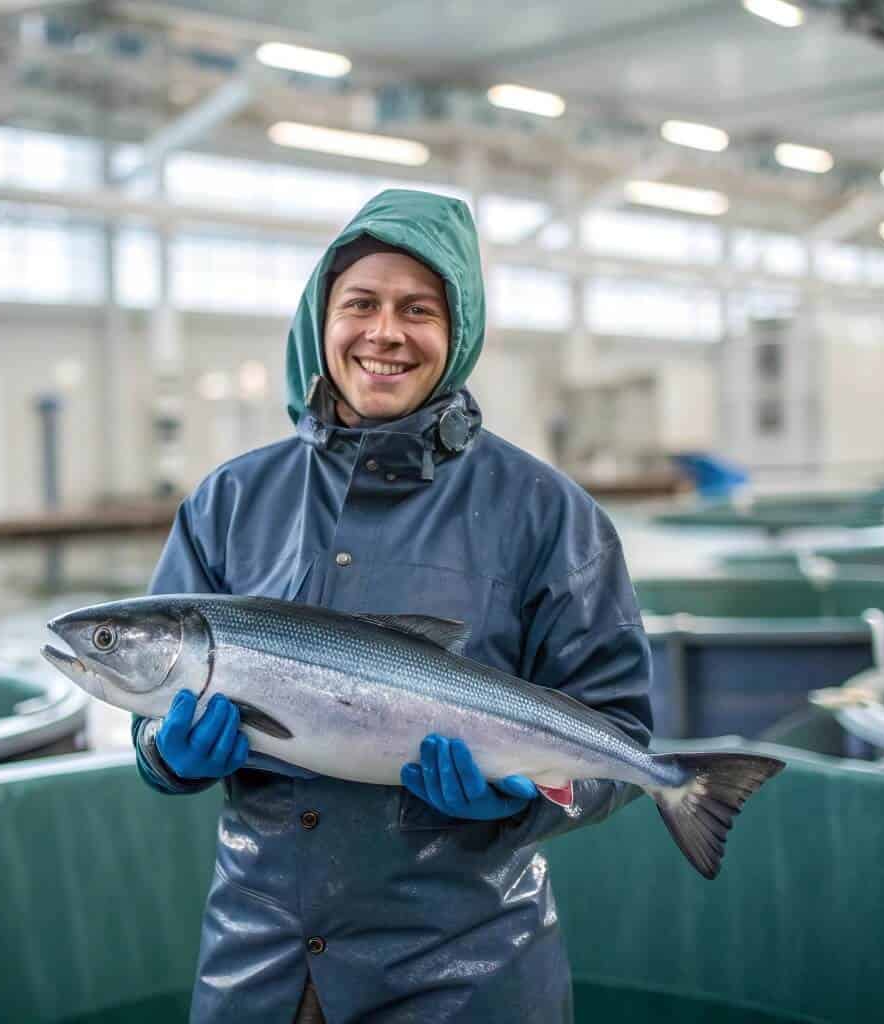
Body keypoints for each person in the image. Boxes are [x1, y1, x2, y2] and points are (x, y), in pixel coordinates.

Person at [132, 188, 653, 1023]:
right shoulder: (230, 500)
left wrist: (521, 799)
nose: (385, 332)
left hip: (471, 970)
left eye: (419, 309)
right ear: (321, 320)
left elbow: (619, 733)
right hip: (261, 964)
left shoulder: (548, 514)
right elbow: (146, 701)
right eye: (360, 304)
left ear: (459, 333)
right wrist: (167, 753)